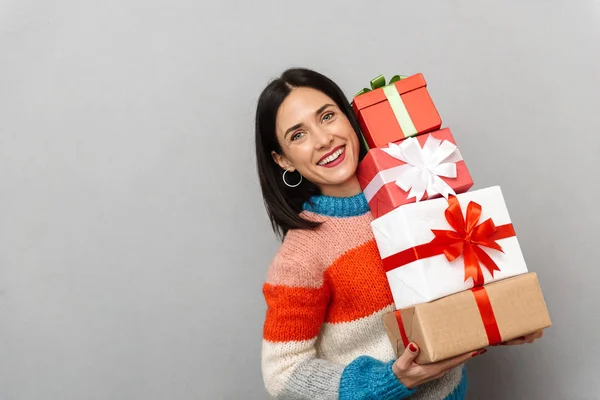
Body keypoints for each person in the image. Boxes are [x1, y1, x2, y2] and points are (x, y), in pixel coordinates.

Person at [254, 67, 543, 400]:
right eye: (297, 135)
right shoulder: (300, 256)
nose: (323, 139)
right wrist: (389, 380)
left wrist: (506, 321)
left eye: (327, 116)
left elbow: (453, 287)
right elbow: (283, 373)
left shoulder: (415, 186)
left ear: (350, 118)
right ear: (283, 160)